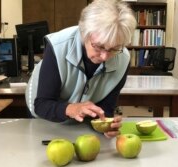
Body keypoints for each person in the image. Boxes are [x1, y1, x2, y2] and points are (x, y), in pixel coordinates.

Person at [25, 0, 136, 138]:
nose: (105, 56)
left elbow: (105, 109)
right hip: (44, 116)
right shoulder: (57, 46)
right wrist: (71, 108)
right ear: (84, 33)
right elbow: (42, 105)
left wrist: (105, 126)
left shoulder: (123, 60)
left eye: (114, 49)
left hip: (79, 124)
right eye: (99, 46)